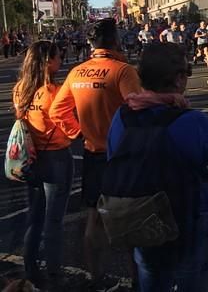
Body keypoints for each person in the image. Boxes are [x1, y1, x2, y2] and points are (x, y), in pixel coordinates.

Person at [106, 43, 208, 292]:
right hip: (189, 213)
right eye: (187, 72)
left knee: (151, 275)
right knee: (191, 277)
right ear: (177, 79)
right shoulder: (193, 121)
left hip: (142, 213)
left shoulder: (122, 116)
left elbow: (112, 156)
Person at [49, 18, 142, 287]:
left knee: (94, 218)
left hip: (92, 153)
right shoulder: (123, 70)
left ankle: (95, 277)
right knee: (130, 219)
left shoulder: (77, 72)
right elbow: (137, 108)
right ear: (114, 41)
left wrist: (77, 131)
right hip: (121, 155)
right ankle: (137, 280)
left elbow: (57, 110)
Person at [13, 42, 76, 287]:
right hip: (55, 156)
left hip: (30, 157)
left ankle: (30, 268)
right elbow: (66, 122)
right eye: (58, 57)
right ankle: (54, 274)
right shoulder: (53, 91)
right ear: (48, 61)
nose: (61, 61)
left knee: (35, 216)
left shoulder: (20, 89)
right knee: (54, 220)